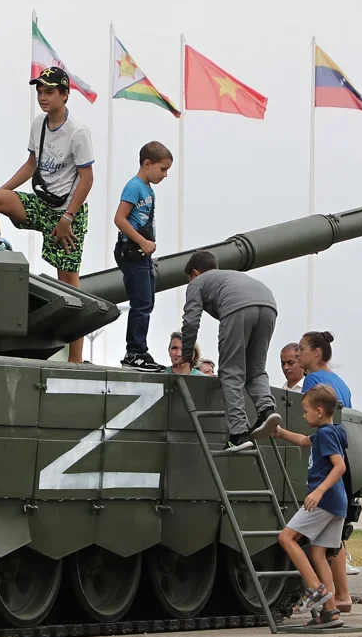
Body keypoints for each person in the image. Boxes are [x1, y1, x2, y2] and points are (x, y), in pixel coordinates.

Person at [0, 66, 94, 363]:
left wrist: (68, 218)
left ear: (65, 94)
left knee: (69, 287)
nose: (42, 97)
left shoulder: (78, 133)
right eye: (39, 91)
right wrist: (3, 191)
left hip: (68, 213)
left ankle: (76, 360)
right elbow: (31, 165)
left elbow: (87, 179)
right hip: (42, 203)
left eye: (49, 92)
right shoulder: (39, 124)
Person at [179, 250, 280, 451]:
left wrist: (187, 354)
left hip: (237, 308)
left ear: (195, 273)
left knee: (231, 371)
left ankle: (238, 434)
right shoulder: (227, 276)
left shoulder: (197, 283)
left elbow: (191, 321)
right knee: (256, 370)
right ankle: (267, 411)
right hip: (268, 305)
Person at [273, 385, 349, 629]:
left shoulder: (325, 435)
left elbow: (339, 466)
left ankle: (315, 588)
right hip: (338, 503)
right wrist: (279, 432)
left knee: (286, 538)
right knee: (318, 553)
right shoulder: (332, 431)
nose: (303, 415)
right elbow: (304, 440)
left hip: (324, 501)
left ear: (319, 411)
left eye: (305, 411)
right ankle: (331, 612)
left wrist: (318, 491)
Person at [294, 330, 354, 604]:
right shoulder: (341, 383)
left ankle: (324, 594)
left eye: (302, 349)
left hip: (325, 467)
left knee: (295, 538)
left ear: (316, 352)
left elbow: (307, 425)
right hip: (341, 460)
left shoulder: (313, 380)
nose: (298, 354)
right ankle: (339, 597)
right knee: (328, 544)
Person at [113, 141, 173, 372]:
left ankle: (140, 349)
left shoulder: (148, 189)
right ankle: (134, 352)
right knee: (141, 302)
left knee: (147, 301)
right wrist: (141, 241)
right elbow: (120, 218)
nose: (165, 175)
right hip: (131, 251)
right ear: (147, 164)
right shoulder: (134, 187)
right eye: (162, 169)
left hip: (141, 254)